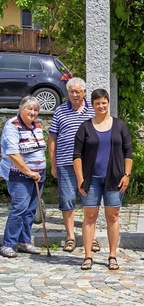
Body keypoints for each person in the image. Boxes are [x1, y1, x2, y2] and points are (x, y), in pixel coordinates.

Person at [73, 89, 133, 270]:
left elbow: (128, 152)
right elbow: (77, 156)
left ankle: (112, 255)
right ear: (92, 105)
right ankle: (88, 256)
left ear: (108, 103)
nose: (101, 106)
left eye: (104, 102)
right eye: (97, 103)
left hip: (114, 179)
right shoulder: (85, 127)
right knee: (89, 217)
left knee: (112, 217)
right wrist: (80, 179)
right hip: (91, 180)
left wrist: (127, 175)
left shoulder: (120, 126)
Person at [48, 77, 101, 253]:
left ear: (84, 92)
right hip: (65, 163)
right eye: (71, 91)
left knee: (90, 201)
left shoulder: (92, 111)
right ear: (67, 93)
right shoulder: (60, 111)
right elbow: (52, 139)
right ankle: (70, 237)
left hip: (89, 165)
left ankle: (92, 238)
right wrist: (53, 165)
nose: (75, 95)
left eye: (78, 91)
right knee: (67, 199)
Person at [0, 96, 46, 258]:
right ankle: (8, 244)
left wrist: (37, 171)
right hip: (19, 174)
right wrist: (28, 171)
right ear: (21, 109)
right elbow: (12, 153)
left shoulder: (37, 125)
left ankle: (24, 242)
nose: (33, 112)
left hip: (38, 174)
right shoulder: (12, 125)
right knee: (19, 209)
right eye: (30, 109)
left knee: (30, 210)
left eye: (35, 110)